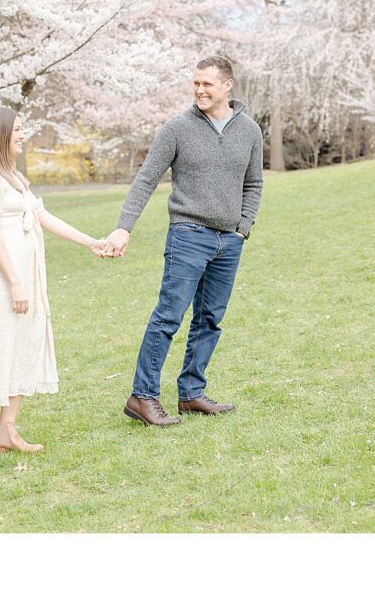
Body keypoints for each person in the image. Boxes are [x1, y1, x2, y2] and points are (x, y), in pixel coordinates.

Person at [0, 106, 107, 467]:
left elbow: (43, 217)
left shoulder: (13, 176)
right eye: (16, 130)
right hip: (2, 278)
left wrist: (91, 242)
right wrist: (14, 283)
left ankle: (6, 430)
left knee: (23, 347)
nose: (22, 135)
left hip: (27, 275)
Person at [102, 55, 263, 427]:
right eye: (196, 83)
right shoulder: (177, 128)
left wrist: (243, 227)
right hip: (188, 235)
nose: (199, 90)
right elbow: (145, 179)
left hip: (229, 240)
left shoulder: (250, 131)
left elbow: (253, 182)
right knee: (169, 316)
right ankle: (142, 396)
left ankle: (191, 393)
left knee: (211, 319)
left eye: (207, 84)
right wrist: (124, 227)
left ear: (227, 86)